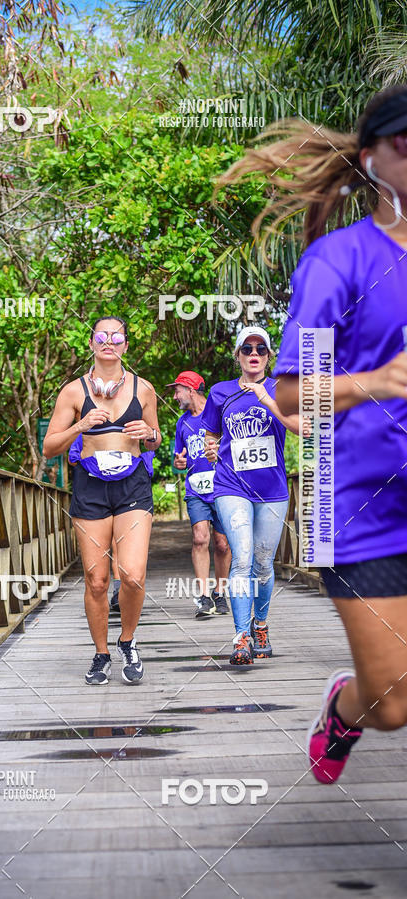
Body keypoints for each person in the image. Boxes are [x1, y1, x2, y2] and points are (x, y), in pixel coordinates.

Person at [216, 85, 407, 783]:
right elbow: (295, 392)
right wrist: (377, 381)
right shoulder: (339, 262)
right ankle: (343, 709)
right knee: (392, 703)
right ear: (373, 161)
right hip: (358, 506)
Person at [44, 316, 161, 685]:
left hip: (133, 487)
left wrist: (150, 432)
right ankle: (101, 653)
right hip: (90, 488)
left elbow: (155, 440)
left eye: (117, 336)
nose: (109, 341)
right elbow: (49, 447)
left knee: (132, 574)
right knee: (96, 580)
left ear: (125, 345)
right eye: (102, 335)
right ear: (92, 343)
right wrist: (80, 425)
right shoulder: (73, 392)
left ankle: (127, 641)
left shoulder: (144, 389)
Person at [202, 327, 304, 665]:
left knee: (262, 562)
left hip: (272, 490)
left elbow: (300, 427)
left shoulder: (281, 389)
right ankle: (241, 636)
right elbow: (212, 433)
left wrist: (266, 399)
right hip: (232, 486)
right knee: (242, 558)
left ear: (269, 356)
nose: (254, 352)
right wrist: (210, 448)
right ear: (238, 355)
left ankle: (261, 624)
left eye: (261, 347)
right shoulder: (220, 392)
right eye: (247, 347)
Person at [168, 370, 231, 618]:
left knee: (222, 544)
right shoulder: (182, 423)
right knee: (200, 538)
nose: (174, 397)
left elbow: (233, 446)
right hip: (196, 489)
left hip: (224, 486)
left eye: (177, 391)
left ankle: (221, 593)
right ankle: (204, 597)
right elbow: (179, 458)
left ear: (190, 389)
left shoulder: (218, 413)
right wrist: (179, 463)